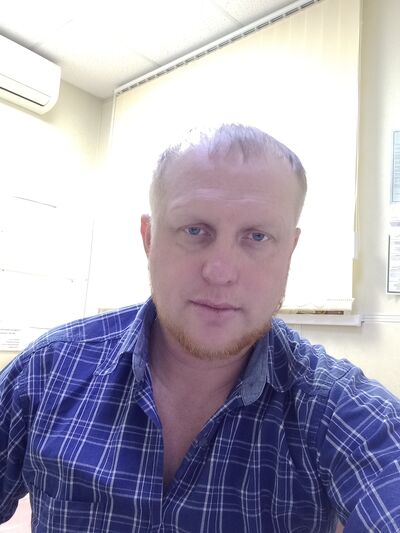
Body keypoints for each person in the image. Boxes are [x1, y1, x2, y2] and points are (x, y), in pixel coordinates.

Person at [0, 124, 399, 533]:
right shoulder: (46, 371)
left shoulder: (337, 409)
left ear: (290, 252)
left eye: (257, 236)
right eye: (195, 231)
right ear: (149, 239)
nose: (220, 272)